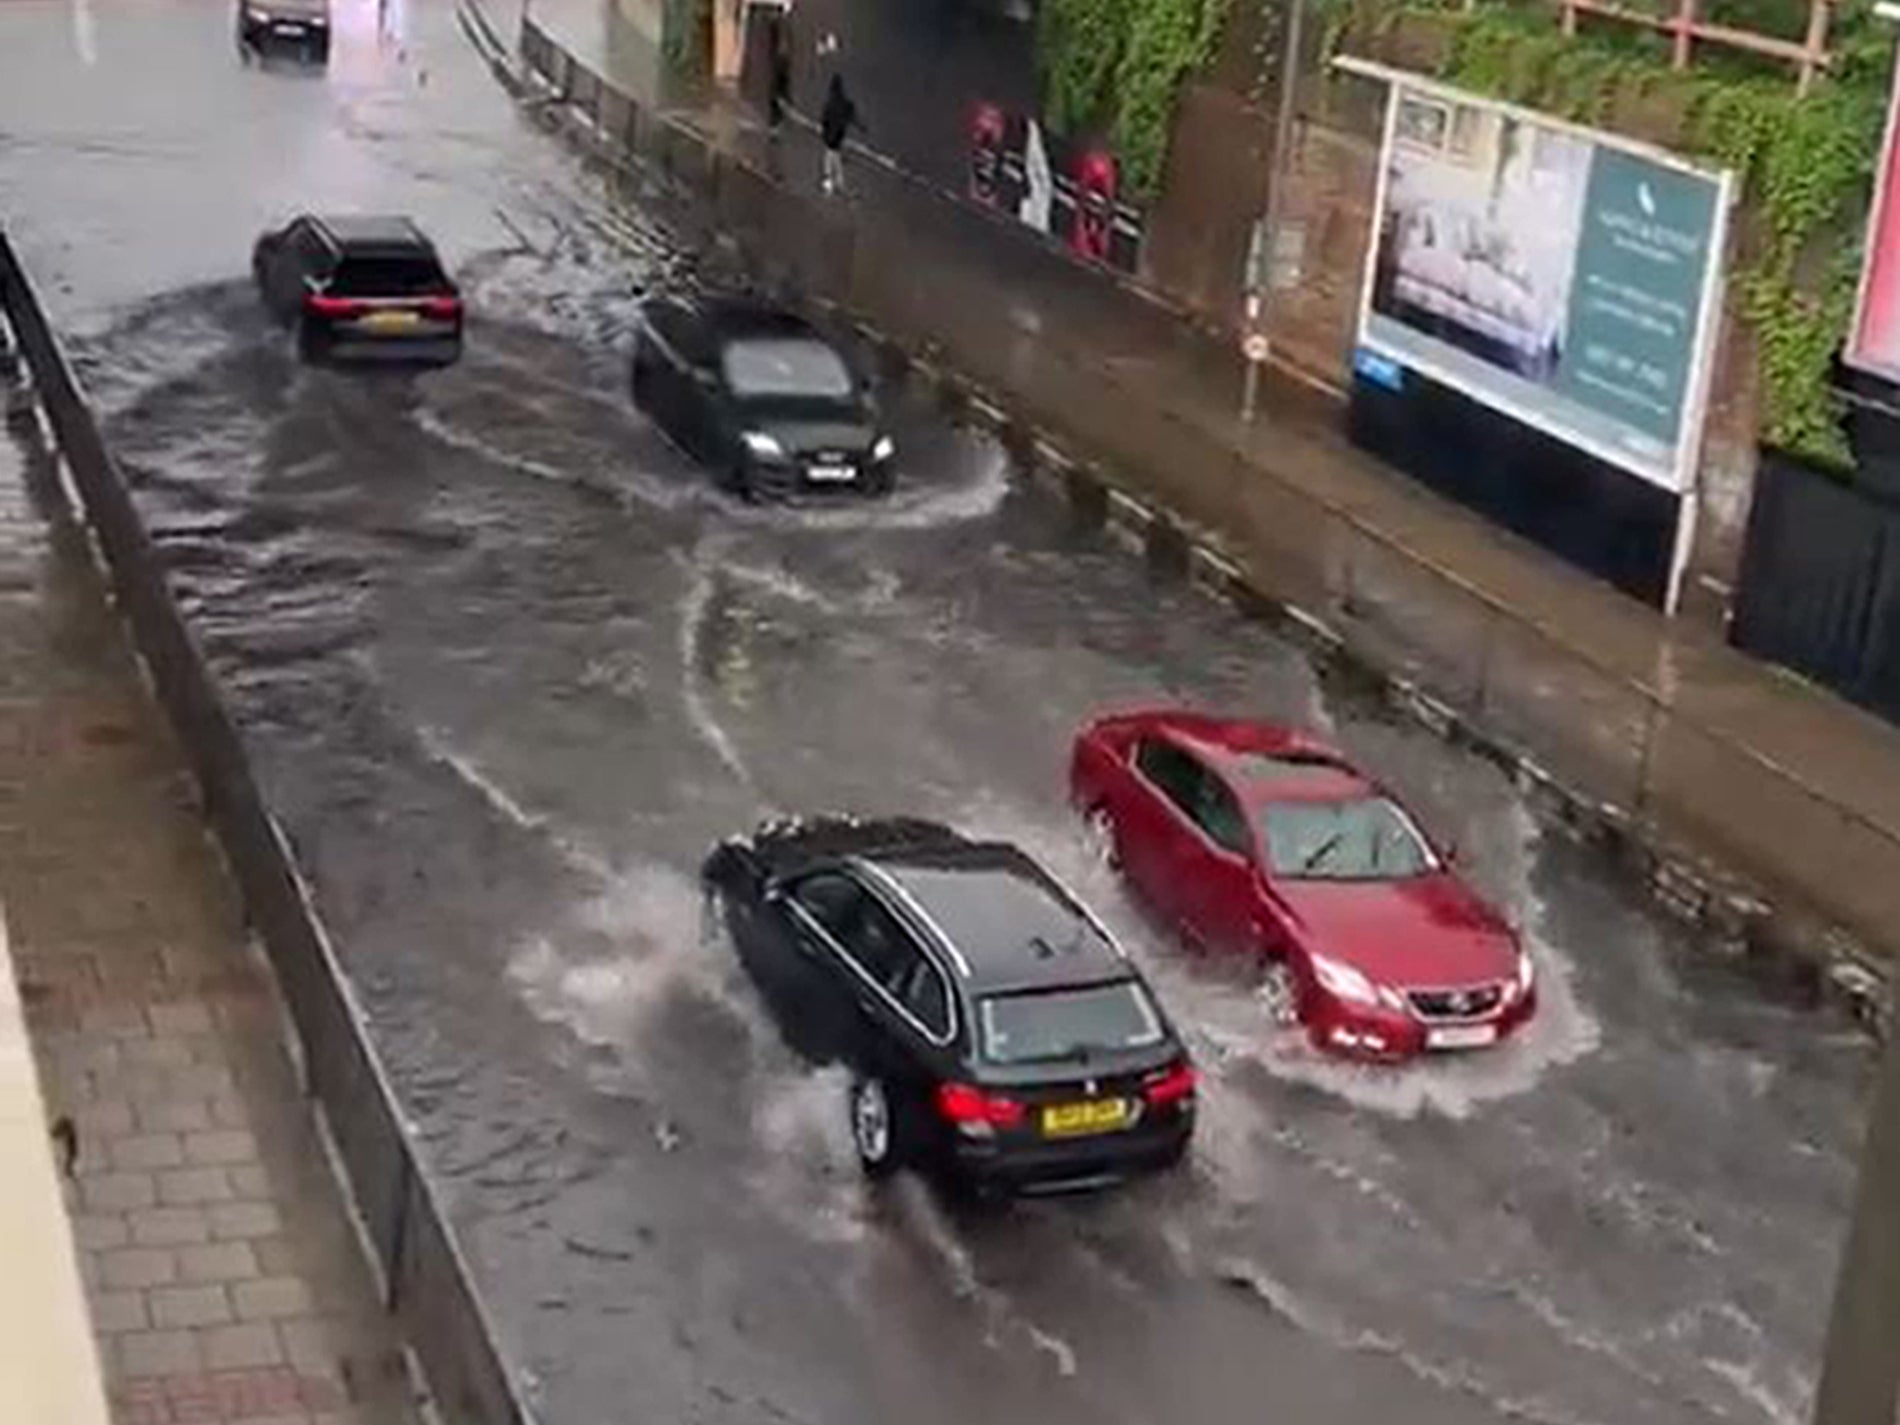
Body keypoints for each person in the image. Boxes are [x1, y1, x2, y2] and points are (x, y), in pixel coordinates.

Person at [820, 73, 861, 196]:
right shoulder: (845, 103)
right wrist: (860, 127)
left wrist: (824, 131)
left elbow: (824, 118)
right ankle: (838, 182)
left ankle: (830, 182)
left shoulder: (829, 103)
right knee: (834, 154)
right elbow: (852, 116)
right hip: (839, 133)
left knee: (830, 154)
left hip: (829, 134)